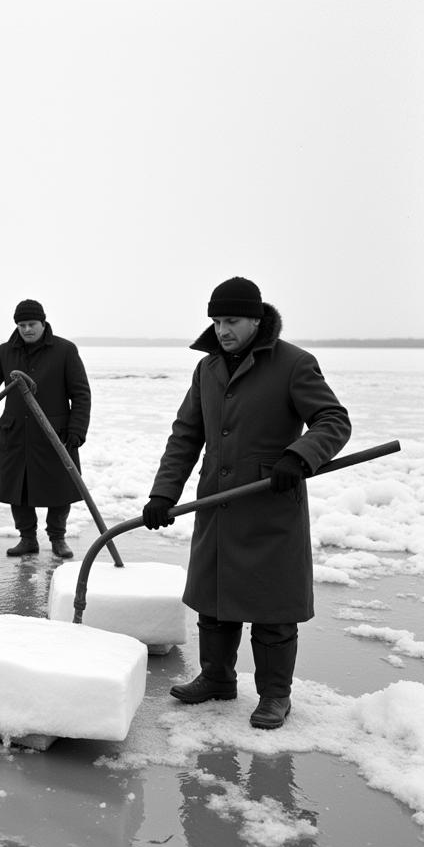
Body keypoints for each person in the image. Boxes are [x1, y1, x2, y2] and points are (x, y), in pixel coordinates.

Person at [141, 277, 351, 730]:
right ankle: (217, 677)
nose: (222, 330)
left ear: (257, 319)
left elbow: (334, 420)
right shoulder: (208, 369)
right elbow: (186, 434)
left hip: (269, 503)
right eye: (216, 321)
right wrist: (164, 492)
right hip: (218, 502)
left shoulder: (294, 363)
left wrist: (300, 455)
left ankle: (276, 695)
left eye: (231, 320)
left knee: (272, 608)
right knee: (214, 598)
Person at [0, 298, 91, 559]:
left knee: (59, 489)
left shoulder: (64, 350)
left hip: (55, 433)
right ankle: (27, 539)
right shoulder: (6, 351)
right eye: (22, 325)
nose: (27, 329)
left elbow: (81, 394)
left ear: (43, 322)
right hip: (16, 433)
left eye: (32, 324)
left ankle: (58, 539)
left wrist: (78, 429)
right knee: (19, 488)